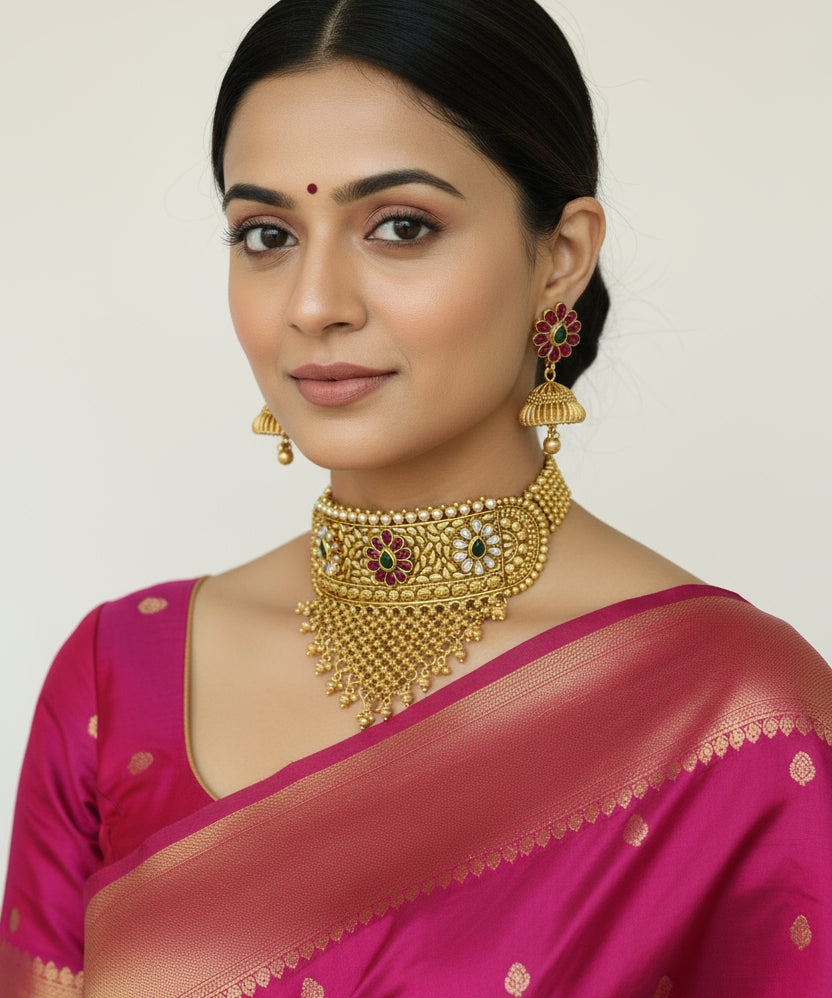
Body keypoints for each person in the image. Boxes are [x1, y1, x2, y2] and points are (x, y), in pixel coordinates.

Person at [2, 0, 831, 994]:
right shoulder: (116, 680)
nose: (312, 304)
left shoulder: (733, 713)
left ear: (559, 256)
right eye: (265, 233)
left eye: (400, 226)